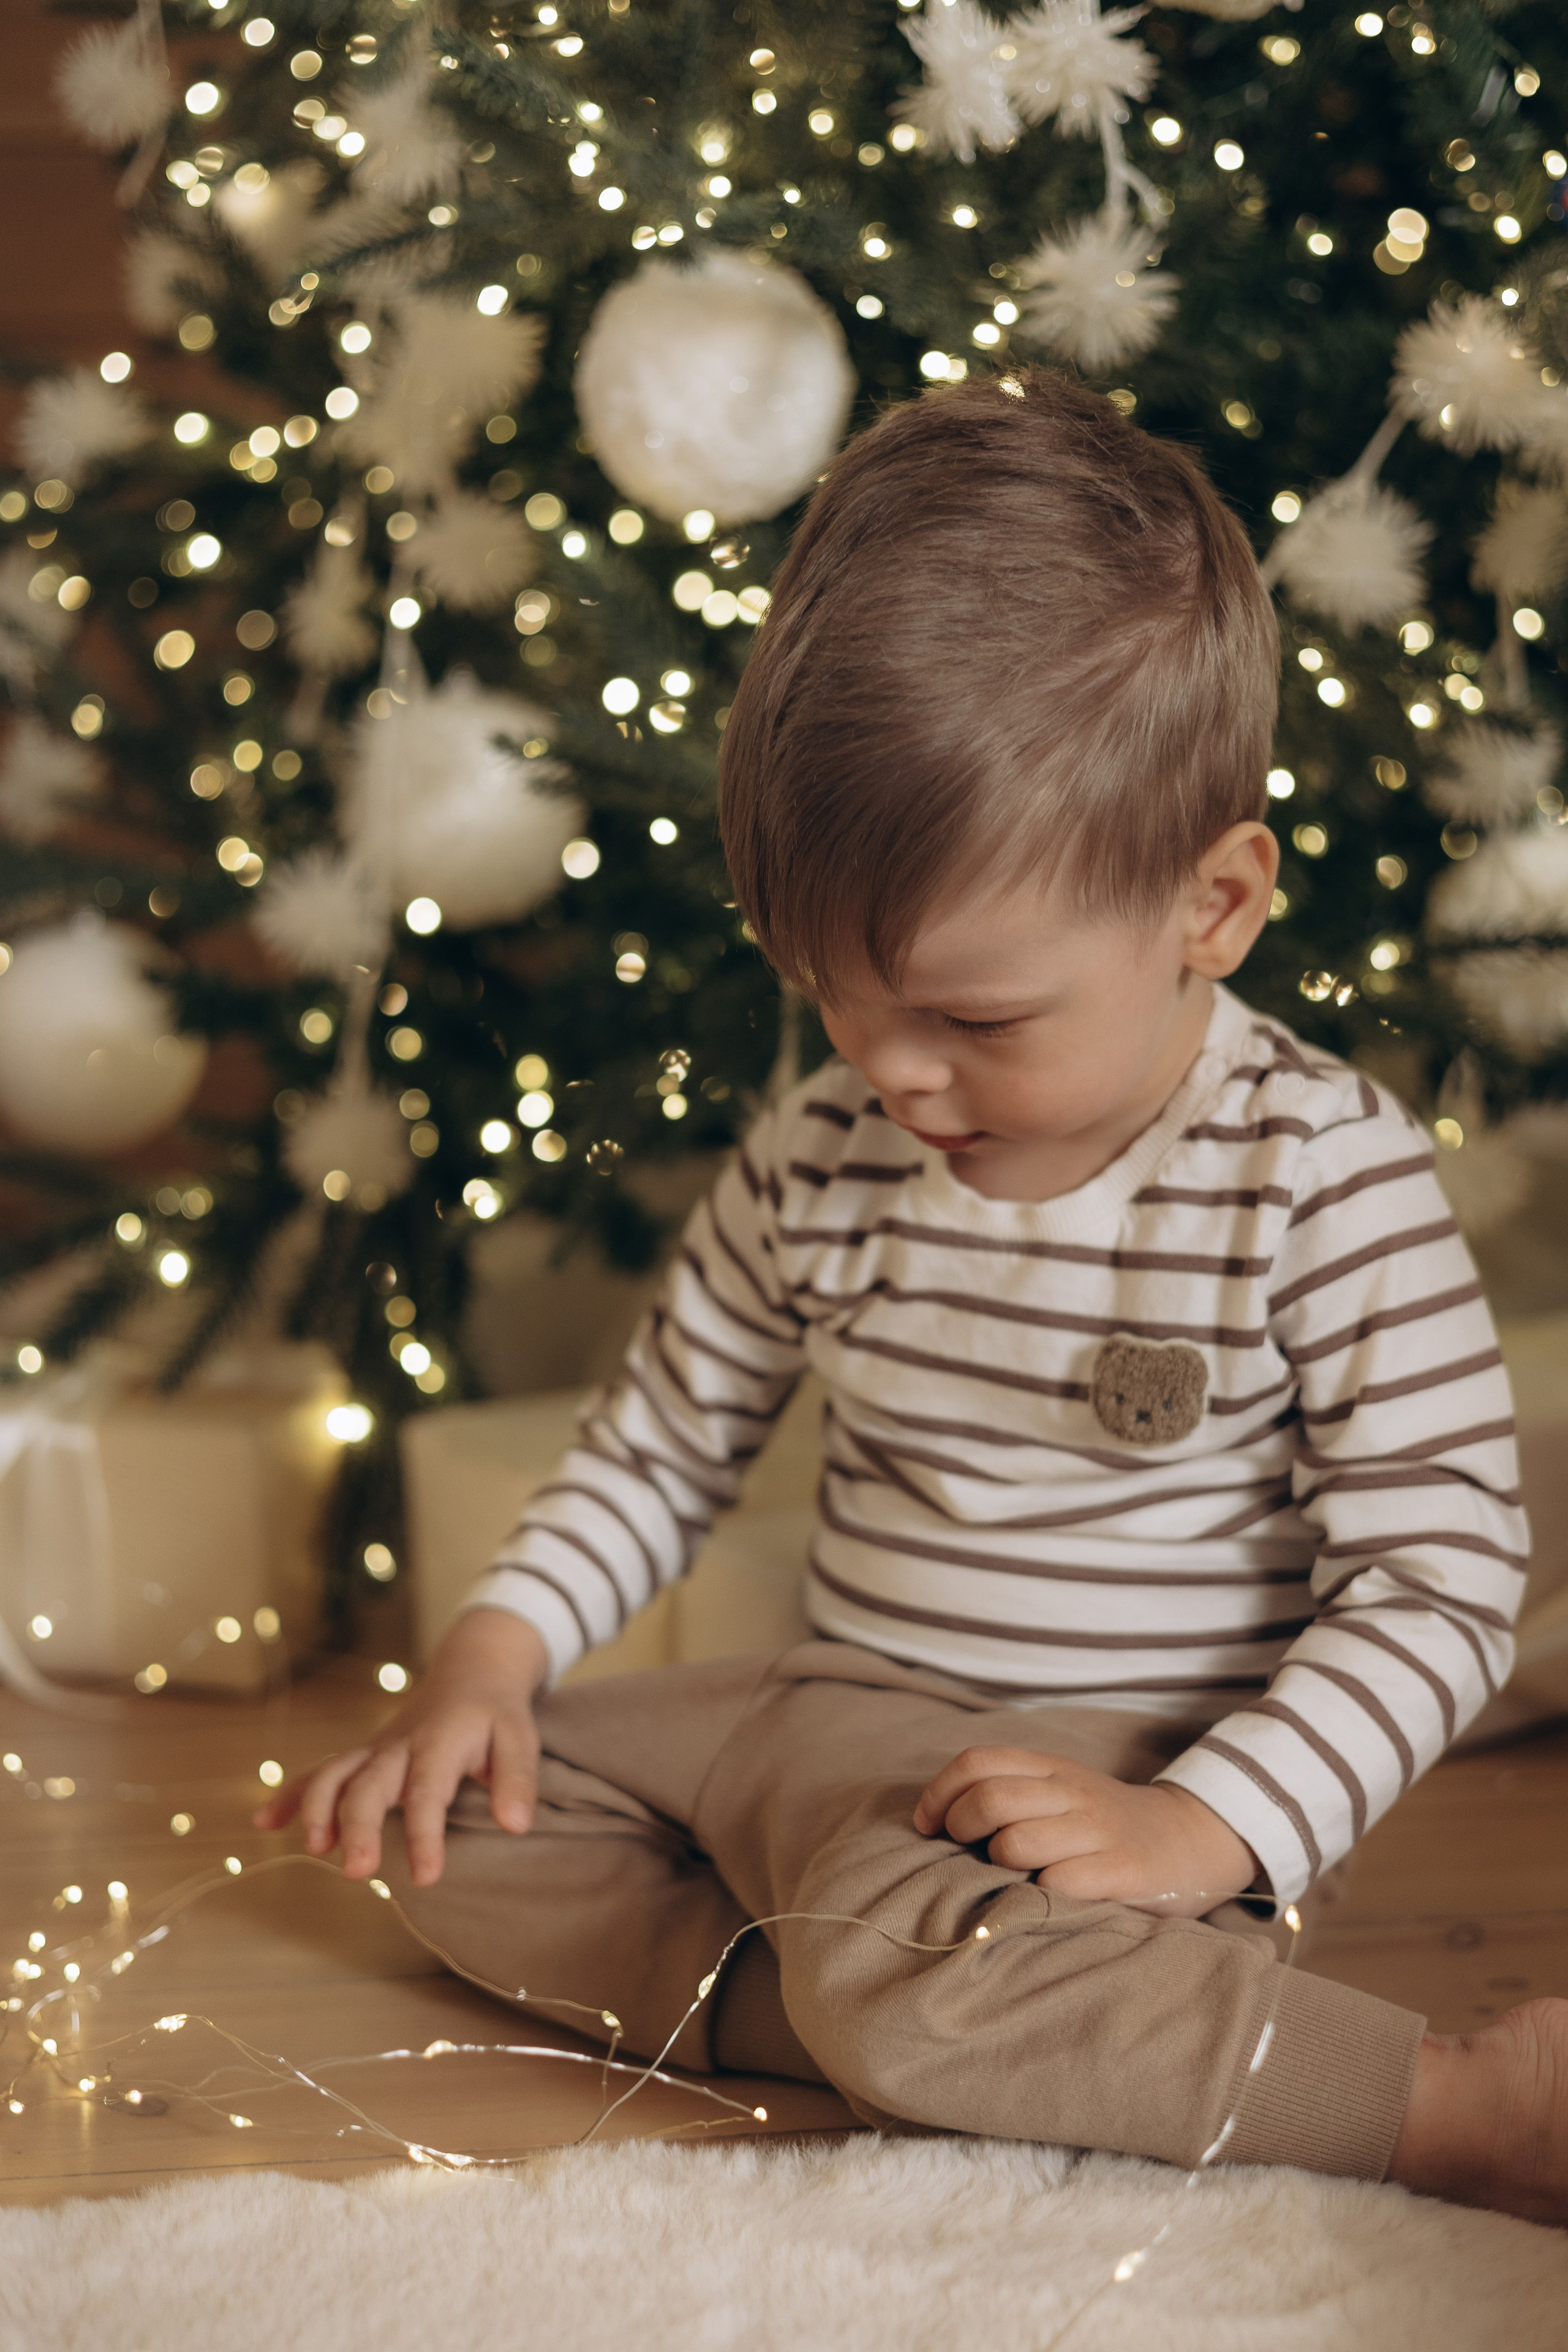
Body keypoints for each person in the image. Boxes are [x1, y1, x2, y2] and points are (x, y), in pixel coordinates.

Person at [259, 371, 1565, 2222]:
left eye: (972, 1017)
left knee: (921, 1954)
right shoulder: (825, 1153)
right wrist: (494, 1655)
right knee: (446, 1826)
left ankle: (1445, 2104)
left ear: (1212, 906)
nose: (888, 1072)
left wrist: (1205, 1827)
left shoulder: (1315, 1178)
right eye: (833, 999)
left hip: (1115, 1767)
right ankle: (952, 2015)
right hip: (821, 1718)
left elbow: (1440, 1580)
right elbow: (659, 1446)